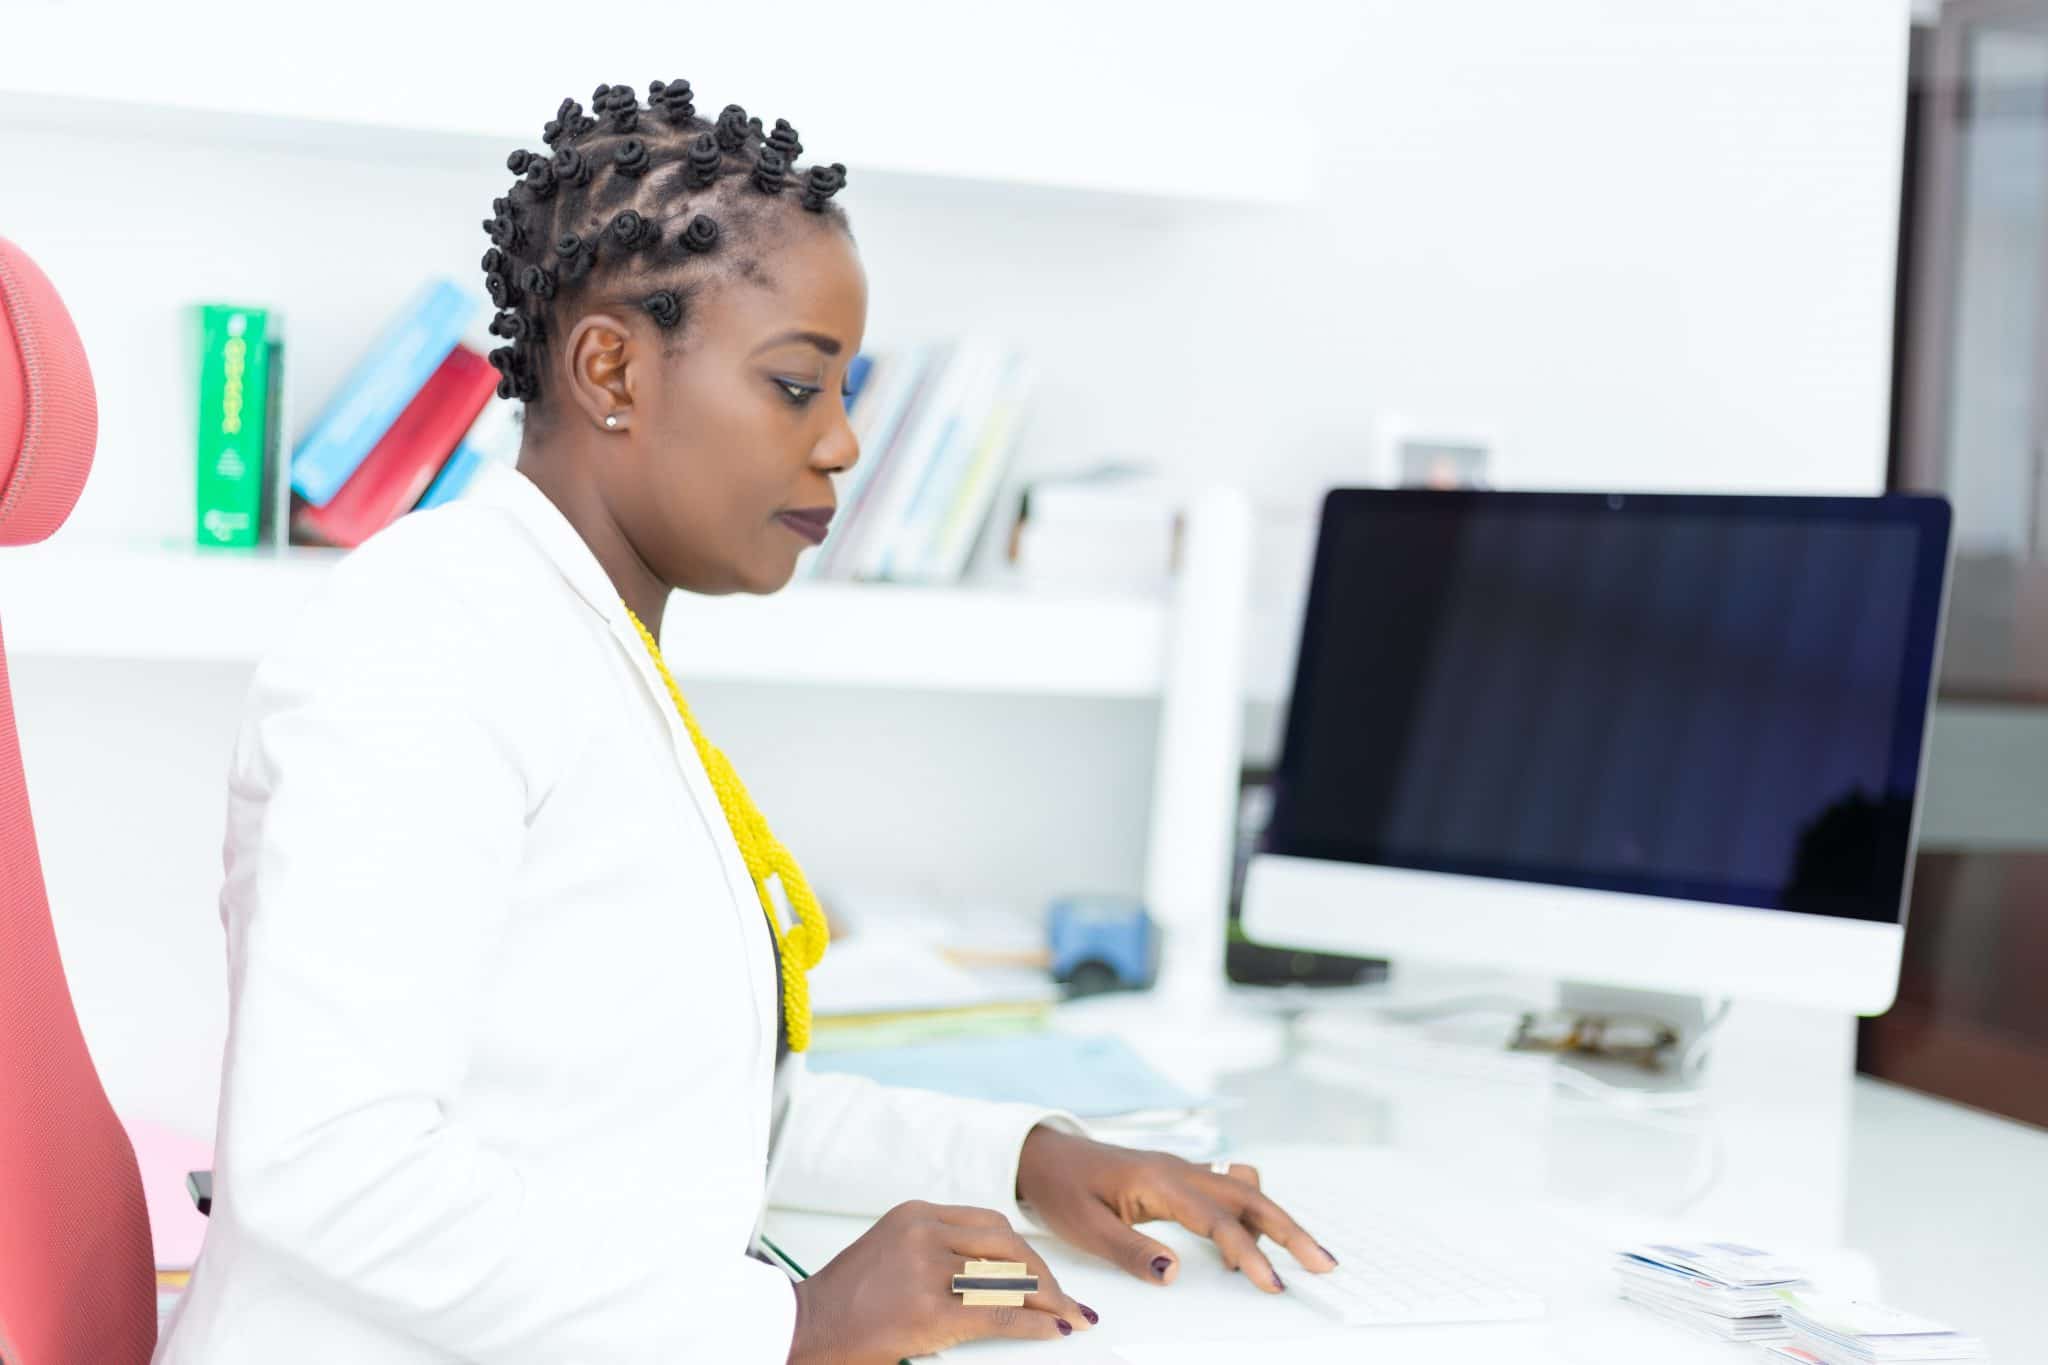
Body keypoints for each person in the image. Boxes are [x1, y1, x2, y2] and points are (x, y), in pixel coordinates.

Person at [152, 79, 1335, 1365]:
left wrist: (1027, 1160)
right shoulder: (430, 642)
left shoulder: (581, 642)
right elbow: (329, 1172)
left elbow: (673, 1117)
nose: (841, 446)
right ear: (611, 367)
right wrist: (791, 1322)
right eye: (794, 387)